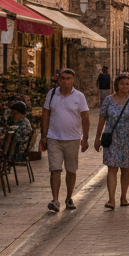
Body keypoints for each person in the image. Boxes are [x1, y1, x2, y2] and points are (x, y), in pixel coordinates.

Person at [41, 68, 90, 213]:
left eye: (68, 78)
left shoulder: (79, 97)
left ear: (73, 80)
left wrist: (85, 138)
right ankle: (55, 200)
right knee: (55, 169)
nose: (65, 80)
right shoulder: (51, 94)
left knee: (71, 169)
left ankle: (69, 197)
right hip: (54, 137)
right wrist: (44, 135)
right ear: (58, 79)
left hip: (73, 138)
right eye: (63, 78)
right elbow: (45, 113)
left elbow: (86, 118)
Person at [93, 73, 129, 208]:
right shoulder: (108, 100)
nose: (124, 86)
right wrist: (97, 137)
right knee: (112, 168)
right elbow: (102, 118)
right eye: (122, 84)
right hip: (112, 138)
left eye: (127, 84)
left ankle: (123, 197)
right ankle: (111, 199)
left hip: (128, 139)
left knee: (126, 168)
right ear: (116, 85)